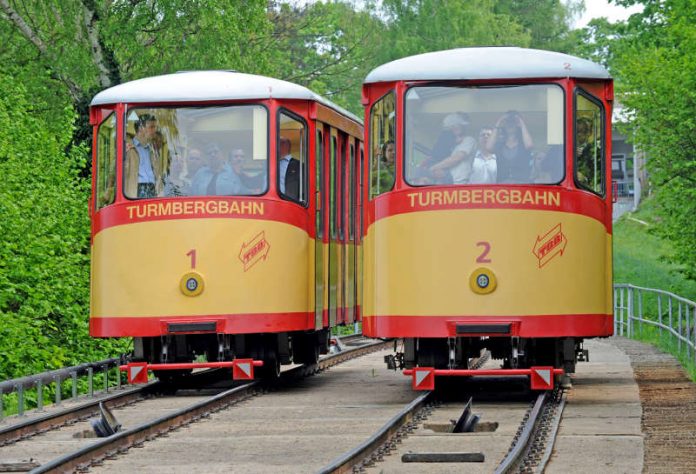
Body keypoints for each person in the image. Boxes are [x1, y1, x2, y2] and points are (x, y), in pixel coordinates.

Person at [429, 113, 476, 184]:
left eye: (459, 124)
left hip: (458, 182)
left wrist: (434, 167)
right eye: (453, 125)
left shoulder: (469, 140)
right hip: (444, 181)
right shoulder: (446, 140)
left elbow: (456, 158)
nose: (456, 127)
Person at [124, 114, 162, 198]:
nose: (154, 130)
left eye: (155, 127)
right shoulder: (128, 147)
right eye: (151, 127)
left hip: (152, 190)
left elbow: (157, 174)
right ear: (141, 128)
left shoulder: (152, 150)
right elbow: (116, 171)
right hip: (136, 189)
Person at [491, 111, 534, 183]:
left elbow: (529, 145)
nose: (510, 124)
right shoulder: (500, 145)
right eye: (507, 122)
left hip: (521, 185)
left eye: (513, 122)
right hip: (503, 185)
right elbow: (489, 147)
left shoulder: (524, 144)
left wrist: (521, 123)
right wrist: (499, 122)